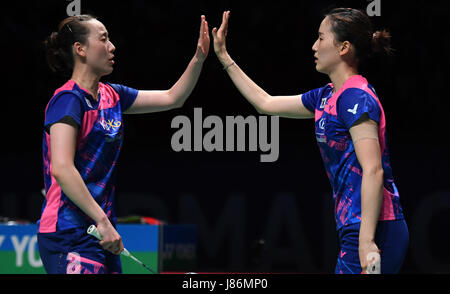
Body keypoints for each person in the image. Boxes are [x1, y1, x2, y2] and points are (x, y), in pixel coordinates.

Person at [211, 8, 409, 274]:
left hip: (375, 227)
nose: (314, 46)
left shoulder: (357, 98)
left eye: (321, 38)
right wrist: (224, 57)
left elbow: (373, 169)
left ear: (343, 48)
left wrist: (366, 241)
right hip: (354, 225)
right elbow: (266, 103)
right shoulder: (326, 97)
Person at [37, 14, 210, 274]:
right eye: (103, 39)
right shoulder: (68, 100)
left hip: (100, 232)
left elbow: (173, 97)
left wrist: (198, 59)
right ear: (80, 49)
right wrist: (102, 220)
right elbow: (62, 168)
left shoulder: (112, 95)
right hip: (68, 230)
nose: (112, 46)